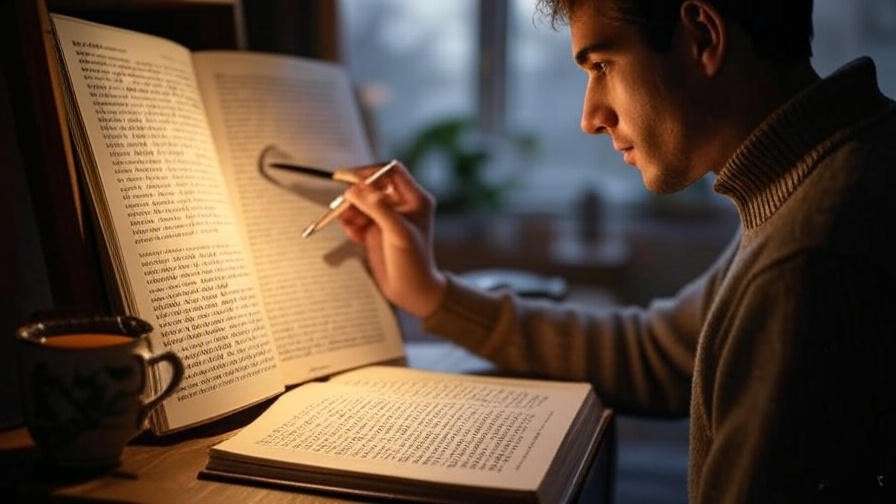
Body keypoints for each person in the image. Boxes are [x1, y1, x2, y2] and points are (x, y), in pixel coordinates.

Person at [337, 0, 896, 502]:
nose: (589, 118)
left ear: (703, 36)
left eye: (601, 65)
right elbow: (660, 353)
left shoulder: (810, 254)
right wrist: (433, 295)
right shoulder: (813, 179)